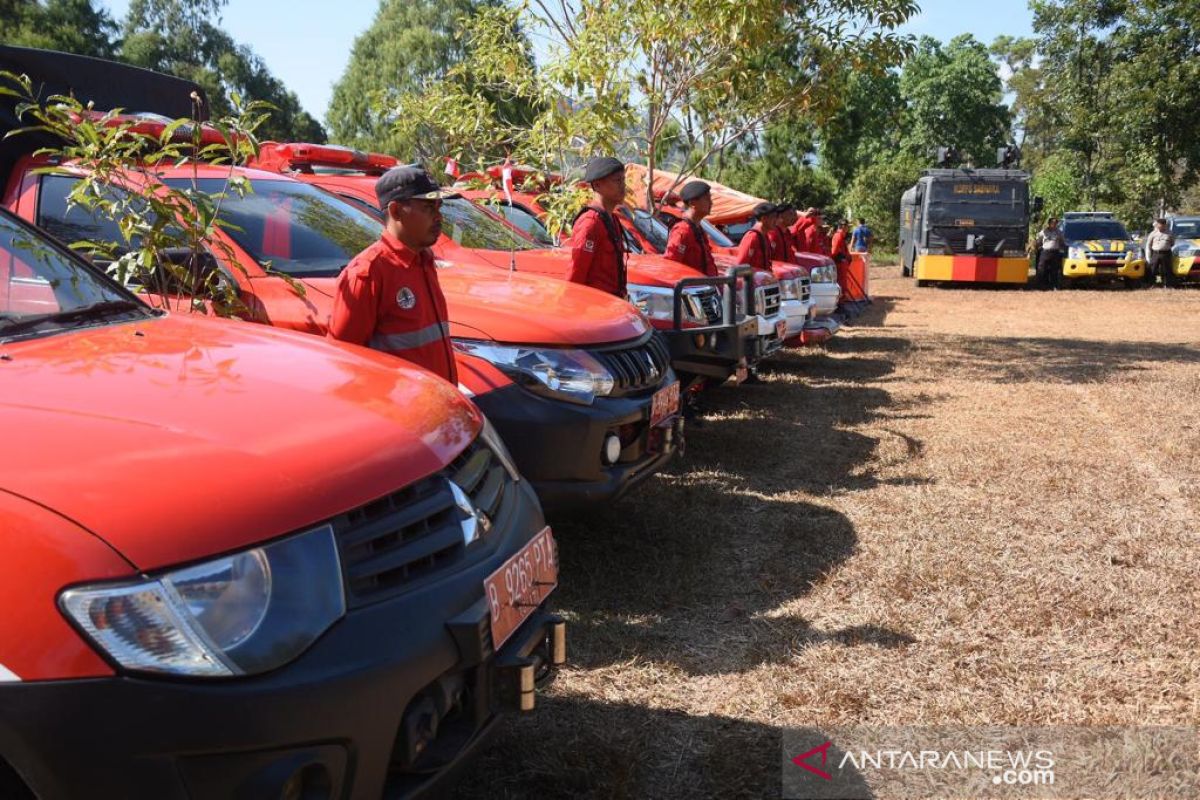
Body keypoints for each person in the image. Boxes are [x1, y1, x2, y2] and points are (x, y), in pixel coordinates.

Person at [328, 164, 458, 383]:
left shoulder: (424, 260)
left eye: (439, 206)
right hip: (401, 411)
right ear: (396, 211)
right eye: (428, 207)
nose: (438, 217)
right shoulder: (367, 273)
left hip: (437, 405)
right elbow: (343, 361)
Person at [567, 156, 628, 297]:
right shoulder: (591, 223)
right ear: (597, 185)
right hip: (594, 307)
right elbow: (576, 274)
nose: (623, 185)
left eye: (623, 180)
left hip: (613, 304)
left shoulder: (611, 220)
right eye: (617, 181)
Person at [664, 180, 718, 276]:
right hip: (693, 288)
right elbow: (671, 265)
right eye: (707, 199)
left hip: (707, 286)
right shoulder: (682, 231)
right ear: (693, 203)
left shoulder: (698, 228)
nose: (711, 203)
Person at [733, 202, 779, 271]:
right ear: (764, 218)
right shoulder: (752, 237)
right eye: (774, 217)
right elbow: (740, 266)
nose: (776, 221)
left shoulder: (765, 236)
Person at [1034, 216, 1065, 290]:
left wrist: (1061, 249)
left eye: (1055, 223)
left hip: (1055, 252)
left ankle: (1054, 286)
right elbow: (1038, 241)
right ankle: (1041, 286)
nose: (1054, 224)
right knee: (1041, 269)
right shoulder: (1043, 232)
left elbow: (1062, 241)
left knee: (1054, 270)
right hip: (1045, 252)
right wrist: (1037, 248)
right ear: (1049, 223)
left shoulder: (1059, 232)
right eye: (1052, 223)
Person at [1145, 218, 1175, 287]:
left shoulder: (1169, 233)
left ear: (1165, 225)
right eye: (1159, 225)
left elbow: (1172, 243)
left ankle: (1166, 284)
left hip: (1166, 253)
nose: (1160, 226)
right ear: (1157, 225)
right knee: (1152, 269)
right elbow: (1148, 244)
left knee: (1166, 270)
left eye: (1162, 225)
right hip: (1155, 253)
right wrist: (1148, 256)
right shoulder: (1153, 233)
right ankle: (1152, 284)